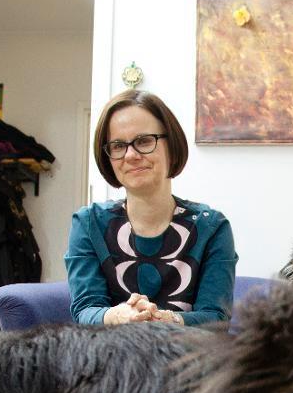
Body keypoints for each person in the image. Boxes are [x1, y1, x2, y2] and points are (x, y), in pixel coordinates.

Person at [66, 90, 236, 326]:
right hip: (111, 357)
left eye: (144, 141)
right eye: (117, 146)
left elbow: (216, 318)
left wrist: (168, 320)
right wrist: (118, 316)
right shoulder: (88, 223)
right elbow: (85, 310)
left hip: (187, 358)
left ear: (172, 145)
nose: (131, 155)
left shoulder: (212, 227)